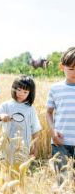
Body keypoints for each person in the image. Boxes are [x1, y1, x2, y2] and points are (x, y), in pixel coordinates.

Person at [0, 75, 41, 166]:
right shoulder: (6, 105)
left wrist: (35, 148)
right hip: (6, 145)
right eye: (19, 90)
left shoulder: (30, 109)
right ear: (14, 89)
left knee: (20, 171)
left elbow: (35, 129)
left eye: (25, 92)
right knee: (6, 170)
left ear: (30, 93)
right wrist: (1, 116)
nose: (21, 93)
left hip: (23, 147)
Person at [46, 47, 75, 183]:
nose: (74, 72)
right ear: (61, 67)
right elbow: (48, 113)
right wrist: (53, 131)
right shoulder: (55, 89)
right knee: (61, 182)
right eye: (71, 69)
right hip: (60, 142)